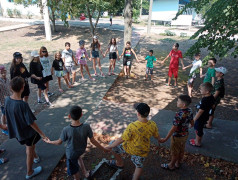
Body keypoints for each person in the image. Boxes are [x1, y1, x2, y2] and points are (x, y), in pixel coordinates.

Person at [44, 106, 109, 180]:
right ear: (81, 115)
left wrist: (49, 142)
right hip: (81, 150)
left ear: (69, 116)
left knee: (74, 171)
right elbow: (93, 141)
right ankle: (85, 173)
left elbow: (59, 142)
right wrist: (103, 148)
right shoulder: (86, 127)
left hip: (71, 154)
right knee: (78, 157)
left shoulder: (66, 129)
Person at [3, 76, 48, 179]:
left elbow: (5, 113)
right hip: (27, 133)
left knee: (29, 146)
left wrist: (5, 124)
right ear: (23, 87)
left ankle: (35, 157)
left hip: (17, 132)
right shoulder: (22, 104)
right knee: (29, 149)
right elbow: (31, 123)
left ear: (11, 88)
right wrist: (42, 134)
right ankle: (29, 172)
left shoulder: (7, 100)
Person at [105, 103, 161, 180]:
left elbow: (122, 139)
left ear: (138, 113)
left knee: (112, 143)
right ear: (148, 113)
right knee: (139, 165)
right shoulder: (152, 124)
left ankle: (119, 163)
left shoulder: (132, 126)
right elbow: (156, 135)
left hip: (129, 148)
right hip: (142, 151)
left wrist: (110, 146)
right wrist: (160, 139)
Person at [160, 95, 193, 170]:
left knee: (175, 151)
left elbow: (173, 128)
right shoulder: (190, 110)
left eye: (178, 101)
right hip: (185, 134)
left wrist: (166, 138)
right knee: (181, 149)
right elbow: (191, 120)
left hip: (177, 136)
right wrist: (192, 124)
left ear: (183, 104)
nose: (177, 102)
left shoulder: (179, 114)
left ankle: (171, 165)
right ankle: (178, 162)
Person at [190, 82, 215, 147]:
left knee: (198, 129)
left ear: (207, 91)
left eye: (201, 89)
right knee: (199, 128)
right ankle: (196, 140)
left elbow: (200, 111)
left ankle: (197, 142)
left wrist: (193, 120)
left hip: (201, 117)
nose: (200, 90)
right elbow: (213, 106)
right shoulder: (211, 97)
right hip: (205, 116)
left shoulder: (205, 100)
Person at [0, 65, 10, 136]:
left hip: (8, 99)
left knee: (6, 113)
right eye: (1, 73)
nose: (3, 74)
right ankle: (3, 128)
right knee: (4, 114)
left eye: (4, 72)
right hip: (3, 101)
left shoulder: (7, 79)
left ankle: (6, 125)